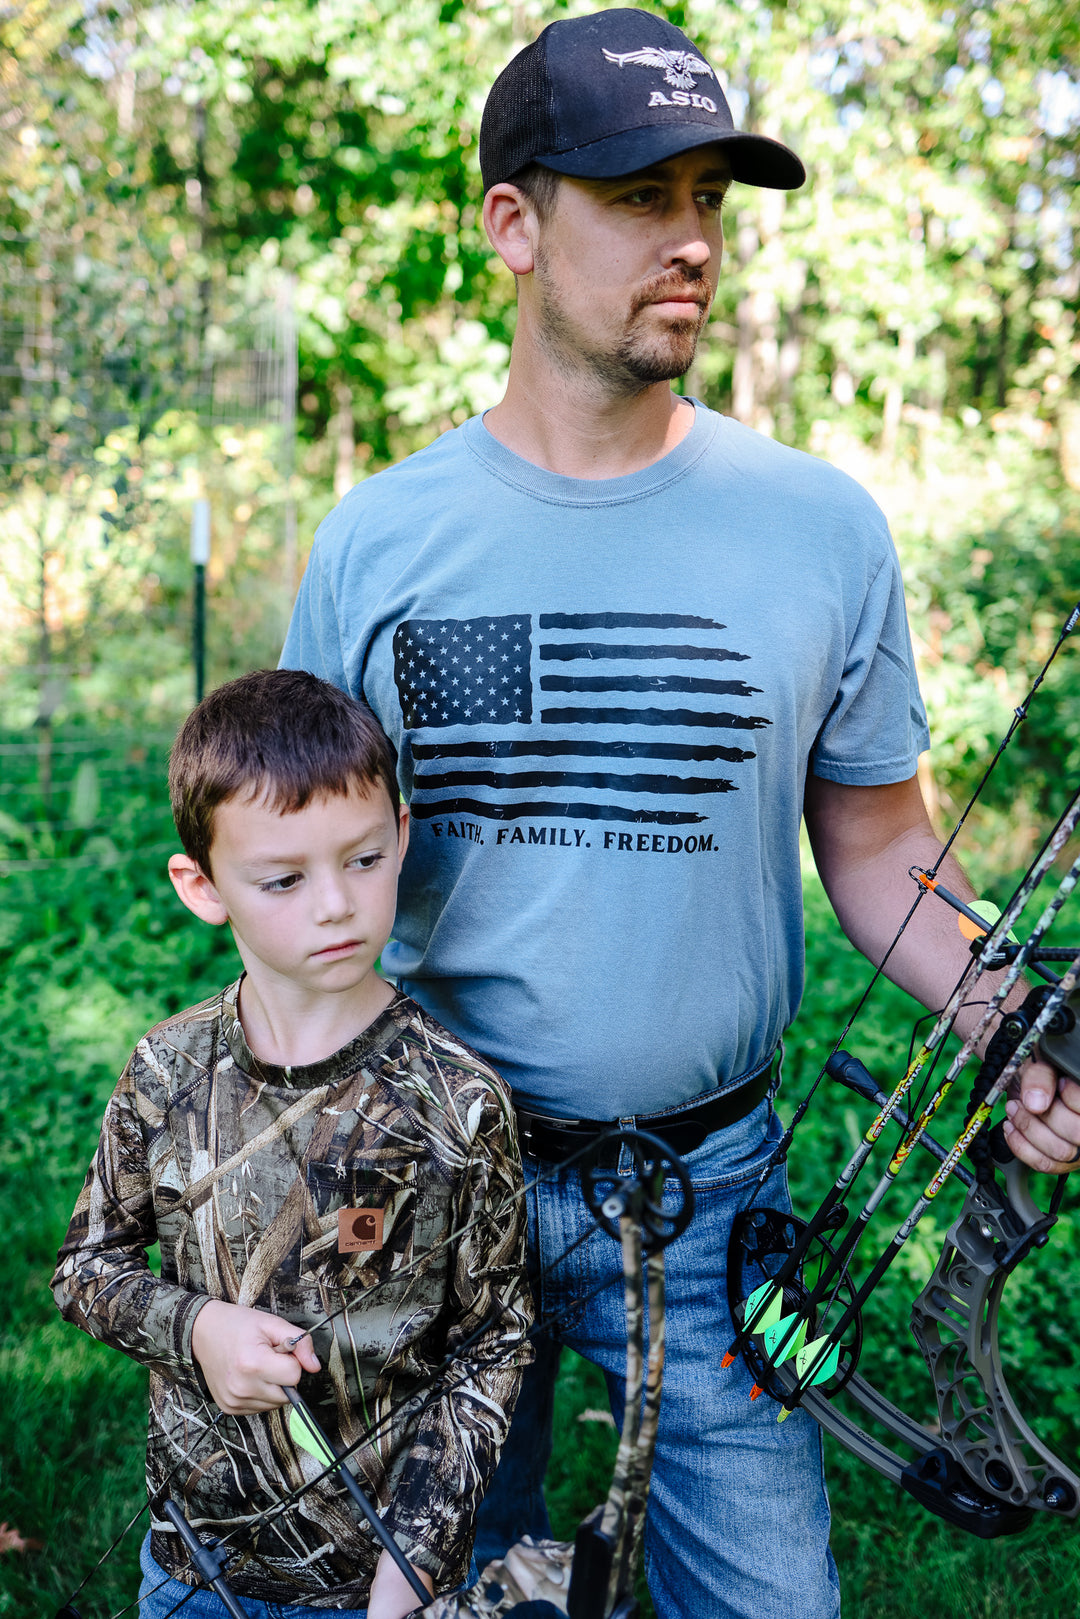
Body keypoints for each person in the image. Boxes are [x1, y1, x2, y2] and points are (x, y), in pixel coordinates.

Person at [280, 10, 1080, 1616]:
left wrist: (1022, 1024)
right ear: (514, 221)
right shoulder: (378, 542)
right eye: (642, 197)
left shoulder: (819, 528)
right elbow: (305, 881)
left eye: (710, 197)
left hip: (715, 1199)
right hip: (444, 1184)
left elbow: (879, 846)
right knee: (408, 1588)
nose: (694, 241)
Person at [53, 669, 532, 1619]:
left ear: (402, 832)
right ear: (204, 887)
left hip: (377, 1585)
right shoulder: (166, 1069)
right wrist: (196, 1329)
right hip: (192, 1569)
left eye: (362, 859)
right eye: (283, 879)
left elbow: (495, 1342)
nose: (335, 906)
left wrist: (414, 1564)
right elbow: (86, 1269)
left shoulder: (458, 1099)